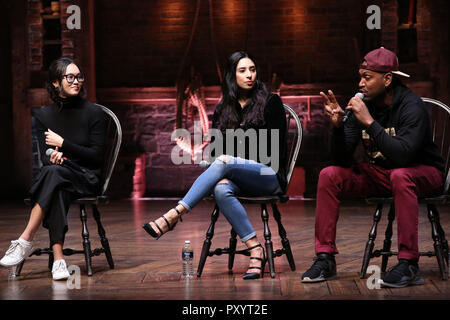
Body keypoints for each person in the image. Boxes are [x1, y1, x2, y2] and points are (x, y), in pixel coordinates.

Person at [301, 47, 445, 287]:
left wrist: (368, 121)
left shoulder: (411, 106)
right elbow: (341, 160)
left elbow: (403, 156)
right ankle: (325, 259)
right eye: (360, 76)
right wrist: (337, 128)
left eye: (367, 77)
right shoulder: (363, 104)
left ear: (387, 79)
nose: (360, 84)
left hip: (424, 172)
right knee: (329, 175)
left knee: (400, 176)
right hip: (383, 175)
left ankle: (409, 264)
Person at [142, 51, 287, 280]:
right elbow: (216, 152)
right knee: (220, 188)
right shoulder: (224, 108)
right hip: (238, 177)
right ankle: (255, 248)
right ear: (232, 75)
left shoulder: (271, 102)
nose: (250, 75)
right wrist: (226, 161)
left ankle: (173, 215)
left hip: (268, 175)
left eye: (252, 69)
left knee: (224, 161)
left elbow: (275, 152)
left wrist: (233, 160)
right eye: (242, 71)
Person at [0, 57, 106, 281]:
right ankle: (58, 259)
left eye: (79, 76)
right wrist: (56, 158)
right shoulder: (43, 116)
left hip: (85, 178)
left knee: (53, 177)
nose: (76, 81)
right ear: (56, 83)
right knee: (54, 177)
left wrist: (64, 145)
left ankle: (25, 240)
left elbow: (97, 159)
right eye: (70, 77)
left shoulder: (94, 113)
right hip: (59, 177)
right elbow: (46, 161)